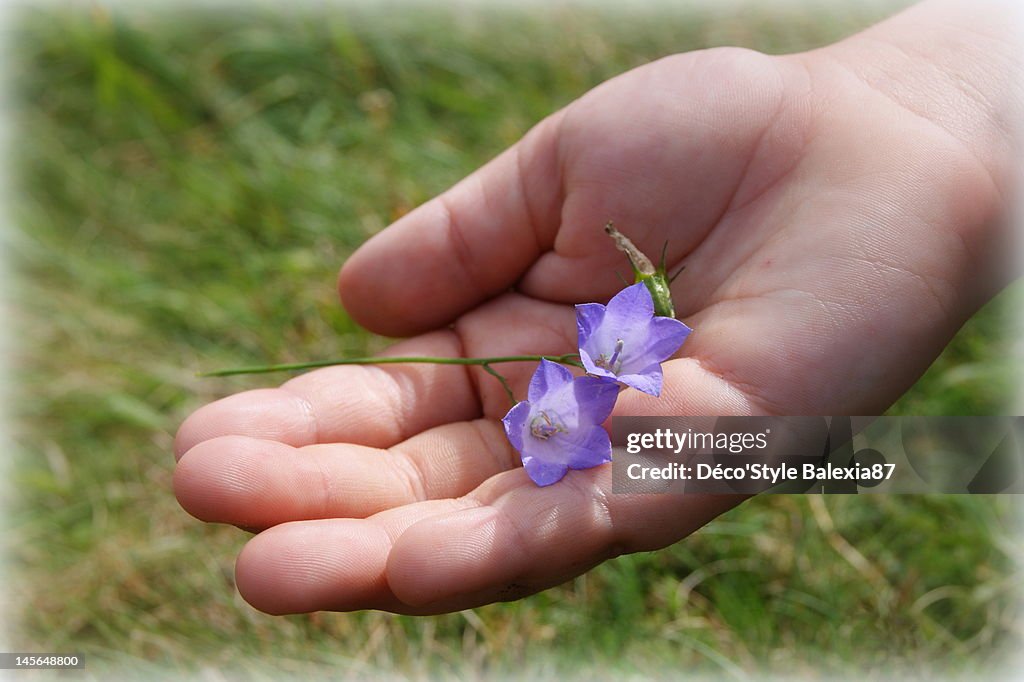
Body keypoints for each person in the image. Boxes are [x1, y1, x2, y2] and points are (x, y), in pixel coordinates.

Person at [172, 0, 1021, 615]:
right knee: (891, 456)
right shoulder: (587, 382)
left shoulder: (618, 367)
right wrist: (936, 102)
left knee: (877, 456)